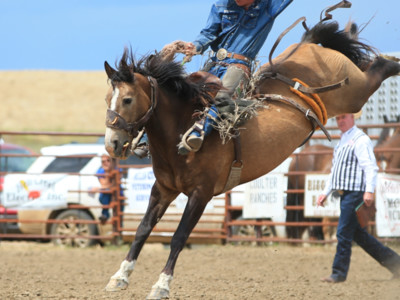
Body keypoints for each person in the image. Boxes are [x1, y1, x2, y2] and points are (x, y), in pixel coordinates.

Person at [134, 0, 293, 156]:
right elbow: (208, 33)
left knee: (223, 95)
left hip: (239, 66)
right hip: (215, 63)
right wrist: (195, 46)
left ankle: (198, 132)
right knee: (184, 92)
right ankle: (147, 137)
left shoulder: (268, 6)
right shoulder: (220, 6)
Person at [317, 113, 400, 283]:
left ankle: (338, 273)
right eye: (338, 118)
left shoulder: (360, 140)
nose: (340, 121)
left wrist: (369, 190)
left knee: (342, 232)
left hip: (355, 193)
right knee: (359, 236)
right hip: (345, 193)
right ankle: (396, 264)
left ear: (352, 118)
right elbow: (335, 171)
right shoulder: (342, 141)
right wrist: (325, 192)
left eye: (344, 117)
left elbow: (370, 167)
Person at [92, 154, 124, 224]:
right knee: (106, 191)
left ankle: (105, 215)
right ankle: (105, 214)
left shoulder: (117, 169)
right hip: (107, 196)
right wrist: (107, 172)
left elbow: (115, 184)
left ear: (112, 161)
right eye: (103, 161)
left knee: (118, 218)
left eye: (108, 160)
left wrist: (98, 188)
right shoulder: (101, 171)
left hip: (117, 196)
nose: (105, 163)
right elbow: (105, 184)